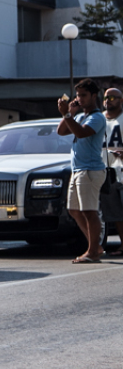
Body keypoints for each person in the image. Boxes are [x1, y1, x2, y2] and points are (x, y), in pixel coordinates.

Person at [56, 78, 108, 263]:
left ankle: (93, 251)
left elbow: (81, 133)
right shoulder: (78, 116)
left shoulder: (97, 117)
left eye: (84, 95)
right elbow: (61, 131)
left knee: (89, 211)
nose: (80, 99)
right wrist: (69, 112)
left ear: (94, 96)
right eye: (78, 95)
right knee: (74, 209)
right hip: (78, 169)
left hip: (90, 170)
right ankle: (96, 246)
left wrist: (68, 116)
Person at [101, 87, 123, 255]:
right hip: (106, 172)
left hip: (122, 169)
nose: (109, 100)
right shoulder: (98, 119)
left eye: (113, 97)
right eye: (107, 97)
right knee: (115, 212)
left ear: (121, 100)